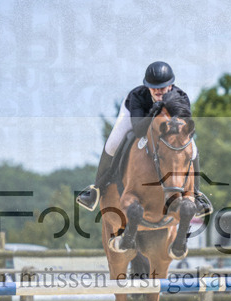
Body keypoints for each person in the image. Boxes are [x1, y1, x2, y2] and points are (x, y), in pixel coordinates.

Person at [77, 61, 212, 217]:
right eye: (153, 87)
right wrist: (152, 113)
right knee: (113, 143)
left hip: (166, 129)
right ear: (147, 86)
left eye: (162, 87)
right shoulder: (137, 97)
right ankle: (96, 189)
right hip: (136, 118)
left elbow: (183, 130)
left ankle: (196, 195)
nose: (158, 91)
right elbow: (138, 130)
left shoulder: (181, 98)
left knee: (193, 149)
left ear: (171, 85)